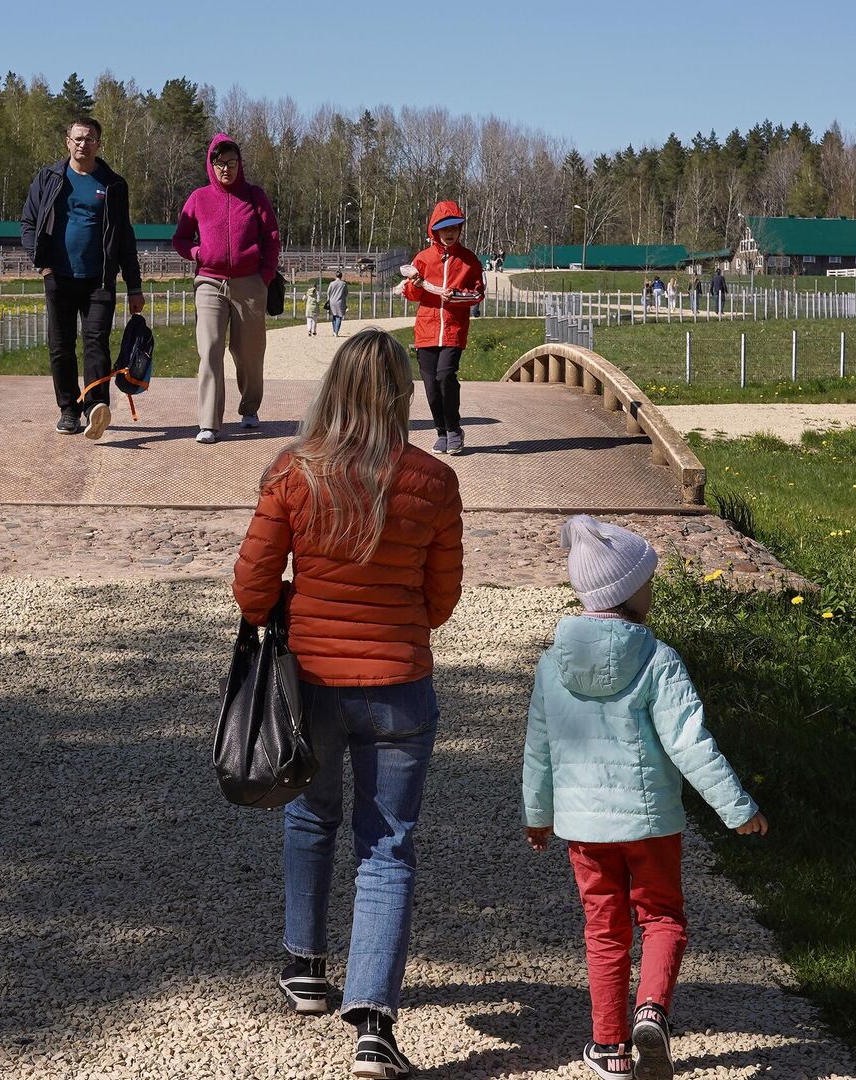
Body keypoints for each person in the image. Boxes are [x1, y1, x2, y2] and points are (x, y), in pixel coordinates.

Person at [234, 329, 464, 1080]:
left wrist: (306, 602)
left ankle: (304, 965)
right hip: (400, 685)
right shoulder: (433, 481)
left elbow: (252, 592)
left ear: (333, 388)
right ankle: (372, 1025)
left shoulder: (293, 474)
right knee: (387, 844)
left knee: (310, 814)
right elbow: (439, 605)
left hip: (313, 684)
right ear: (402, 394)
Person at [523, 516, 769, 1080]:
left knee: (604, 929)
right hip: (653, 825)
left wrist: (538, 815)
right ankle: (652, 1010)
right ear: (629, 593)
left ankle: (609, 1048)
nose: (651, 591)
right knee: (661, 917)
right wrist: (738, 808)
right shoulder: (659, 661)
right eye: (647, 583)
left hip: (585, 830)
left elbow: (539, 749)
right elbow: (691, 744)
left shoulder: (552, 664)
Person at [19, 116, 145, 440]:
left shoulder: (113, 184)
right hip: (58, 277)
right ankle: (68, 410)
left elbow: (125, 239)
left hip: (99, 281)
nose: (82, 144)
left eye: (89, 138)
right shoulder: (49, 178)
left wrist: (134, 286)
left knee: (96, 345)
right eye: (77, 138)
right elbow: (28, 223)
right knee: (60, 347)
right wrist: (42, 264)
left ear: (98, 144)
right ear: (67, 142)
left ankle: (95, 407)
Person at [173, 133, 281, 444]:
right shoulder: (199, 198)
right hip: (209, 281)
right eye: (219, 163)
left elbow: (271, 238)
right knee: (210, 349)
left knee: (249, 352)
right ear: (211, 165)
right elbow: (180, 239)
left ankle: (249, 407)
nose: (226, 169)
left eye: (231, 163)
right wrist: (197, 253)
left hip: (250, 283)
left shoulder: (255, 196)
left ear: (240, 164)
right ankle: (209, 422)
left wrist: (265, 275)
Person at [397, 200, 485, 455]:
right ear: (434, 231)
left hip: (453, 331)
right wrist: (414, 283)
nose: (449, 233)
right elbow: (412, 295)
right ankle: (441, 432)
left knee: (445, 377)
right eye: (444, 229)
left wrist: (455, 295)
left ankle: (455, 429)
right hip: (426, 330)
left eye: (454, 228)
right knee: (431, 387)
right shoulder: (423, 259)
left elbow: (478, 294)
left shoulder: (468, 260)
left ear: (460, 229)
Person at [326, 270, 348, 336]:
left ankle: (334, 331)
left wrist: (329, 299)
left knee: (333, 316)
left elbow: (328, 292)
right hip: (340, 301)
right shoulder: (344, 284)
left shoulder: (331, 283)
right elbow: (346, 293)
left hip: (332, 301)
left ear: (336, 276)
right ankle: (336, 331)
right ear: (341, 276)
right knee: (339, 317)